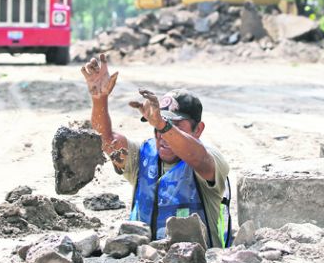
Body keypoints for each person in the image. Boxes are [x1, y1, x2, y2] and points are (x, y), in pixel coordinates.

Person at [80, 53, 232, 248]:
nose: (162, 134)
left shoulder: (209, 159)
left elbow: (199, 158)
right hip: (147, 261)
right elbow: (107, 140)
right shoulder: (142, 156)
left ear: (198, 130)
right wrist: (99, 99)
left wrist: (162, 124)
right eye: (158, 126)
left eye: (176, 126)